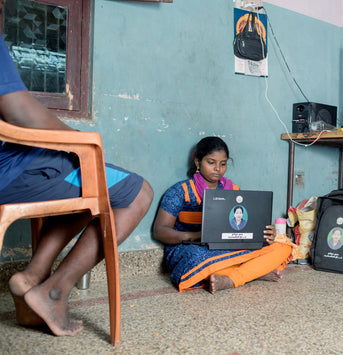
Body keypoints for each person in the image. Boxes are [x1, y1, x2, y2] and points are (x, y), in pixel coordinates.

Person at [0, 13, 154, 338]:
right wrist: (79, 142)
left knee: (83, 179)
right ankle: (54, 291)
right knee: (137, 191)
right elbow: (19, 111)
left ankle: (33, 276)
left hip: (15, 171)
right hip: (10, 171)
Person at [153, 136, 296, 294]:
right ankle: (253, 272)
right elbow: (160, 230)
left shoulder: (233, 190)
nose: (217, 169)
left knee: (283, 247)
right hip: (192, 248)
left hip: (228, 246)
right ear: (197, 162)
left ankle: (231, 278)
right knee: (194, 259)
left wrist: (266, 234)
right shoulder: (180, 191)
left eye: (223, 164)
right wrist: (195, 236)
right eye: (211, 162)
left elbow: (242, 227)